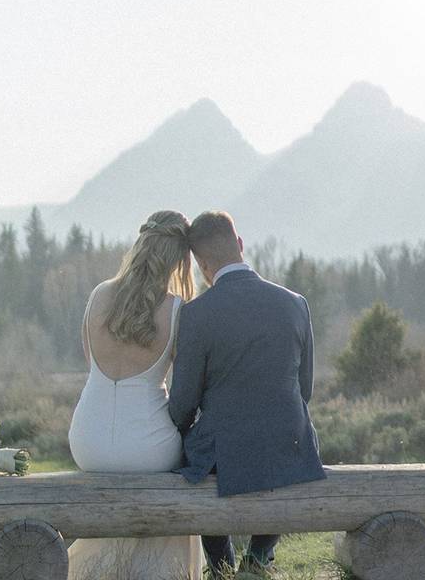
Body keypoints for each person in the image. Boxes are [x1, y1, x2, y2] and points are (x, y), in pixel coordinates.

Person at [169, 210, 326, 577]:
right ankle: (257, 558)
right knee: (288, 440)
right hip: (289, 445)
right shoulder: (294, 303)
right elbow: (305, 389)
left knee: (197, 456)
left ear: (202, 265)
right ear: (240, 245)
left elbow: (183, 404)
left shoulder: (196, 314)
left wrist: (180, 430)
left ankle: (221, 566)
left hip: (223, 450)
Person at [67, 209, 204, 580]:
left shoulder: (99, 296)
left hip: (88, 442)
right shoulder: (176, 309)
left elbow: (89, 363)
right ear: (179, 259)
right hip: (148, 449)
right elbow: (185, 389)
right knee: (181, 468)